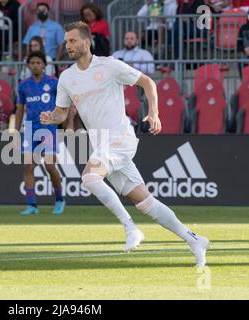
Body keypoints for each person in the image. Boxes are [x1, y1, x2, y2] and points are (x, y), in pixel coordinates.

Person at [40, 22, 210, 267]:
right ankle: (193, 239)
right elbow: (60, 113)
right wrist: (51, 117)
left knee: (89, 178)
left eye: (72, 41)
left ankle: (130, 229)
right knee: (145, 202)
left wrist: (154, 114)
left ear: (86, 43)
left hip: (120, 138)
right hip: (101, 145)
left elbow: (148, 83)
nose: (68, 46)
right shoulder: (66, 78)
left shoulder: (109, 65)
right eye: (66, 41)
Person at [15, 51, 65, 215]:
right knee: (28, 166)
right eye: (32, 62)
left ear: (44, 65)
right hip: (29, 129)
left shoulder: (53, 83)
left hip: (48, 128)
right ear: (28, 65)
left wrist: (63, 123)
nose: (35, 65)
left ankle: (59, 200)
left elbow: (64, 105)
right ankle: (32, 205)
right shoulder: (23, 85)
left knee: (50, 166)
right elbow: (20, 110)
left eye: (38, 62)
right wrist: (16, 131)